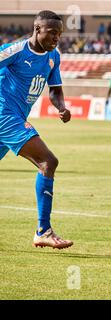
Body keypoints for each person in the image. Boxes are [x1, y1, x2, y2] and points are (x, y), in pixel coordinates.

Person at [0, 10, 73, 249]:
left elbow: (55, 89)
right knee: (48, 162)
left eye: (59, 34)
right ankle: (43, 230)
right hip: (5, 115)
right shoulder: (17, 51)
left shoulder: (54, 56)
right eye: (52, 33)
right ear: (37, 29)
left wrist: (61, 107)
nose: (56, 38)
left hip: (15, 116)